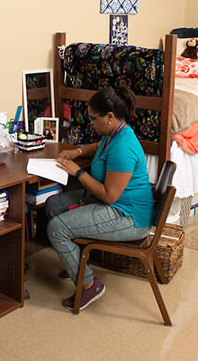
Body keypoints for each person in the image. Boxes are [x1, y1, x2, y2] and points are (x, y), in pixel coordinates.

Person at [46, 85, 155, 311]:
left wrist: (77, 171)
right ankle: (75, 262)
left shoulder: (123, 146)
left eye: (93, 118)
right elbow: (99, 146)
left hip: (128, 215)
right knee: (53, 204)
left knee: (57, 228)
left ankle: (88, 285)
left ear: (110, 117)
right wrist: (77, 152)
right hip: (116, 203)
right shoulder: (115, 133)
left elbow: (110, 195)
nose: (91, 123)